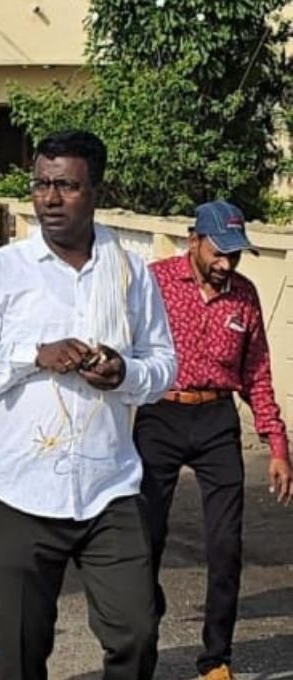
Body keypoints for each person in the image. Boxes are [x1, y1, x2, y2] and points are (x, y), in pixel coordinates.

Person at [0, 130, 176, 680]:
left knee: (137, 633)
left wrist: (123, 372)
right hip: (26, 490)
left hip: (109, 486)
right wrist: (32, 355)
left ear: (96, 189)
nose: (49, 198)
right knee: (20, 651)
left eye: (66, 186)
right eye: (41, 184)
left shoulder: (130, 270)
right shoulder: (3, 270)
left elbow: (163, 366)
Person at [136, 200, 293, 680]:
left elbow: (258, 372)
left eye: (236, 255)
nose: (226, 264)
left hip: (216, 421)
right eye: (219, 252)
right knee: (146, 539)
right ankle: (140, 643)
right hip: (160, 416)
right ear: (194, 241)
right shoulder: (155, 281)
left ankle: (216, 659)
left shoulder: (244, 296)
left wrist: (277, 445)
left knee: (226, 544)